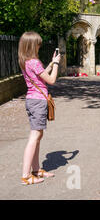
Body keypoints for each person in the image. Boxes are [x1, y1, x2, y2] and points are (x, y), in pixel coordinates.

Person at [18, 31, 61, 185]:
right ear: (32, 45)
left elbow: (40, 77)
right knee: (34, 136)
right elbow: (51, 80)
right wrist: (56, 64)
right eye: (38, 44)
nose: (39, 46)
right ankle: (26, 175)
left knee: (38, 136)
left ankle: (36, 170)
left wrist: (50, 64)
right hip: (37, 102)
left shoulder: (25, 61)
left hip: (31, 100)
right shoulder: (34, 62)